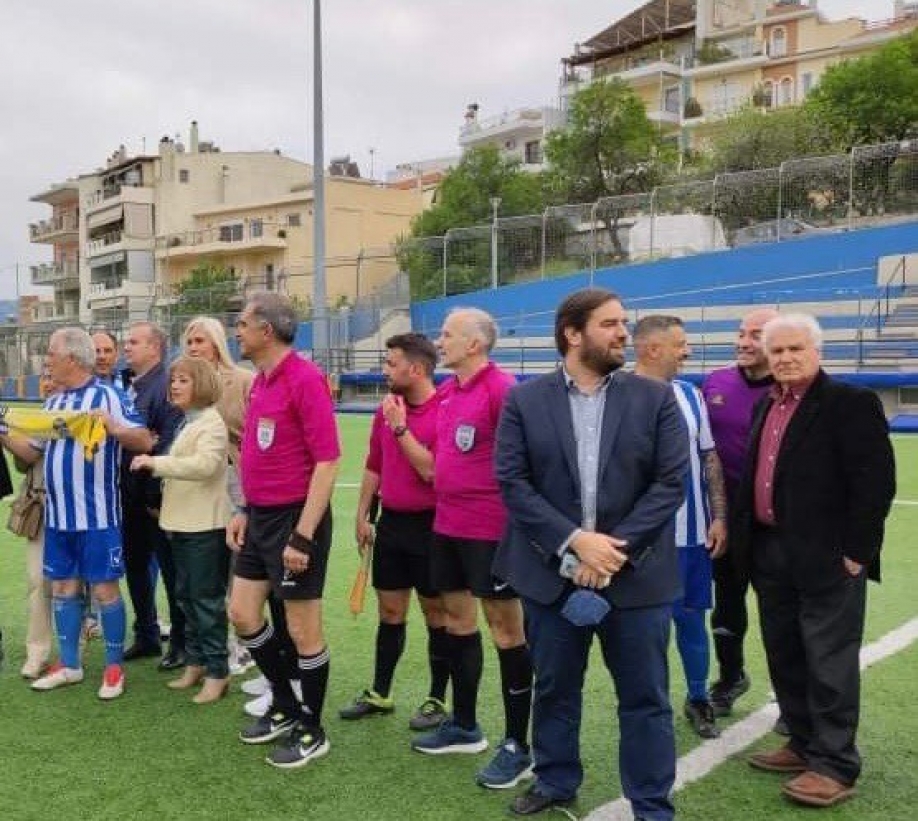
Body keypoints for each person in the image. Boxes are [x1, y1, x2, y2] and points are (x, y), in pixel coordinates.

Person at [493, 288, 688, 818]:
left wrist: (609, 553)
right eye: (610, 324)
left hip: (636, 577)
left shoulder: (655, 398)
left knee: (646, 699)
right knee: (554, 688)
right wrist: (575, 542)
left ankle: (650, 802)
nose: (624, 332)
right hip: (550, 576)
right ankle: (556, 781)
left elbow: (670, 484)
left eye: (624, 322)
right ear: (572, 334)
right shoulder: (524, 400)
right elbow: (512, 482)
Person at [734, 313, 895, 808]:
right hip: (772, 550)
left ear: (817, 352)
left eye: (794, 350)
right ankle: (803, 742)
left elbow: (875, 484)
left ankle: (835, 763)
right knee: (785, 653)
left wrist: (856, 554)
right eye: (776, 351)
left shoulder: (850, 403)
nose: (784, 358)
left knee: (829, 660)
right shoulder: (767, 404)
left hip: (830, 557)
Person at [410, 308, 534, 793]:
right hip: (448, 525)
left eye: (447, 335)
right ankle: (465, 726)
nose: (440, 341)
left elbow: (526, 461)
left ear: (475, 344)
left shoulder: (503, 389)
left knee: (506, 631)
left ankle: (517, 745)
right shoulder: (447, 393)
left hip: (492, 531)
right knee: (457, 622)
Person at [0, 327, 152, 699]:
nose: (46, 361)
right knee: (64, 588)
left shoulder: (108, 395)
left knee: (103, 589)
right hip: (58, 518)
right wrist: (3, 429)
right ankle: (69, 665)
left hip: (98, 518)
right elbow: (34, 452)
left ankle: (114, 669)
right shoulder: (54, 404)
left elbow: (144, 439)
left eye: (50, 353)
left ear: (71, 357)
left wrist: (111, 426)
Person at [228, 292, 340, 770]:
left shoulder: (305, 378)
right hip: (260, 518)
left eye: (242, 323)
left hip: (296, 520)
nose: (237, 330)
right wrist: (246, 510)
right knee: (242, 612)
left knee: (302, 628)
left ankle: (312, 728)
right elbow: (260, 455)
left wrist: (303, 535)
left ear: (266, 331)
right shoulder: (259, 383)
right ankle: (284, 704)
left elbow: (328, 461)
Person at [339, 332, 449, 731]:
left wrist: (402, 428)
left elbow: (431, 471)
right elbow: (374, 464)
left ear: (415, 369)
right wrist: (363, 513)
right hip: (393, 526)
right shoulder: (386, 411)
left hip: (432, 527)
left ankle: (437, 698)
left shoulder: (443, 411)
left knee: (437, 614)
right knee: (389, 612)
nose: (384, 370)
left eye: (390, 363)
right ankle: (380, 693)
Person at [633, 315, 728, 739]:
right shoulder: (613, 394)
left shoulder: (690, 395)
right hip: (638, 539)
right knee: (641, 629)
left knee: (691, 618)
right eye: (680, 344)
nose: (687, 351)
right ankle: (646, 705)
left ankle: (697, 697)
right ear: (653, 349)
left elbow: (708, 457)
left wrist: (719, 516)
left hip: (690, 535)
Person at [131, 355, 232, 704]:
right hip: (181, 523)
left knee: (205, 601)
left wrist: (154, 462)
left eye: (183, 380)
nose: (174, 385)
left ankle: (218, 671)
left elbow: (204, 466)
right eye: (173, 379)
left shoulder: (212, 423)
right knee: (187, 598)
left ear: (202, 384)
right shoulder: (187, 422)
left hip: (204, 526)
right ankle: (196, 662)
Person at [700, 307, 778, 718]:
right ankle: (731, 678)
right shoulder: (715, 382)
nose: (745, 342)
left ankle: (792, 695)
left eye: (757, 335)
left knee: (781, 612)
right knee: (727, 604)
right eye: (742, 333)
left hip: (774, 524)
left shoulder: (791, 385)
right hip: (725, 520)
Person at [183, 315, 255, 676]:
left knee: (236, 559)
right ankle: (209, 645)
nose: (194, 347)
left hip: (234, 476)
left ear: (216, 343)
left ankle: (243, 644)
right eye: (190, 341)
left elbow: (257, 429)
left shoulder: (242, 380)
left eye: (201, 340)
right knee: (207, 560)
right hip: (199, 482)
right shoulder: (184, 383)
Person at [121, 321, 187, 670]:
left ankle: (179, 642)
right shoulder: (129, 385)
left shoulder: (165, 386)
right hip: (129, 496)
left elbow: (165, 443)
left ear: (155, 348)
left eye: (133, 342)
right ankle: (147, 634)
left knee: (173, 572)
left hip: (155, 498)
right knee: (135, 567)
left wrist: (154, 499)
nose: (125, 346)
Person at [11, 362, 57, 679]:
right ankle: (37, 652)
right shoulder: (36, 414)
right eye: (44, 377)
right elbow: (23, 462)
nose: (48, 382)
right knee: (37, 581)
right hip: (39, 504)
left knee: (75, 583)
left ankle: (75, 646)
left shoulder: (79, 411)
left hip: (74, 506)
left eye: (53, 376)